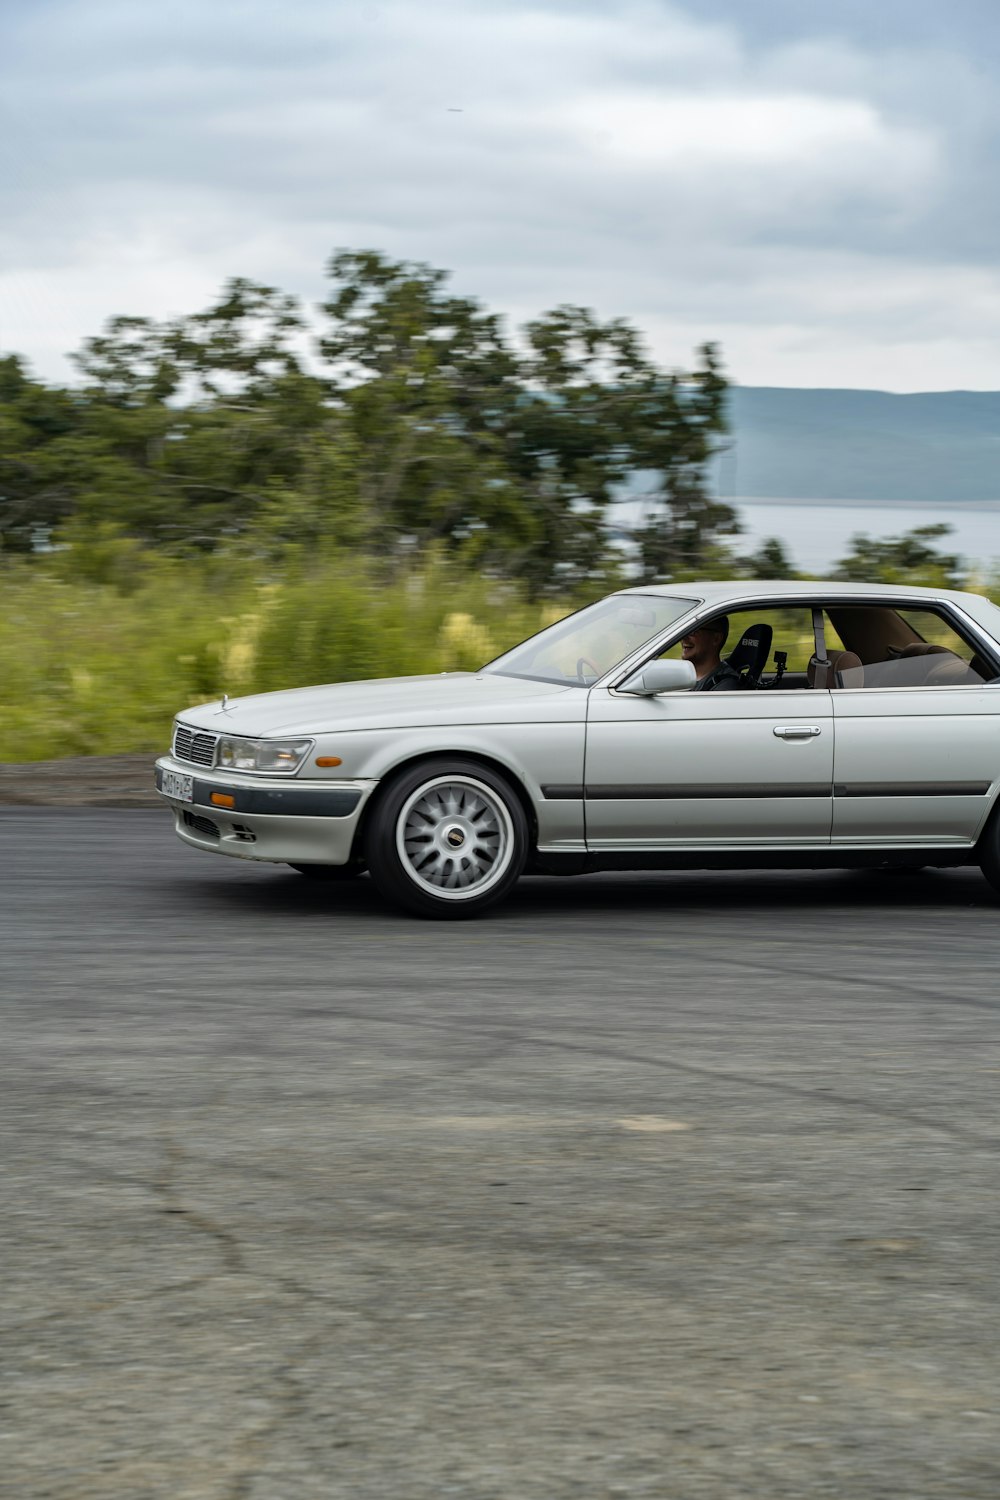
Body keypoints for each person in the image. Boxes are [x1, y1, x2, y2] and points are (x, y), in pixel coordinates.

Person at [680, 616, 744, 691]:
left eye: (693, 632)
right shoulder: (682, 676)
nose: (683, 638)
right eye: (685, 631)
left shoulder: (725, 688)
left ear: (716, 639)